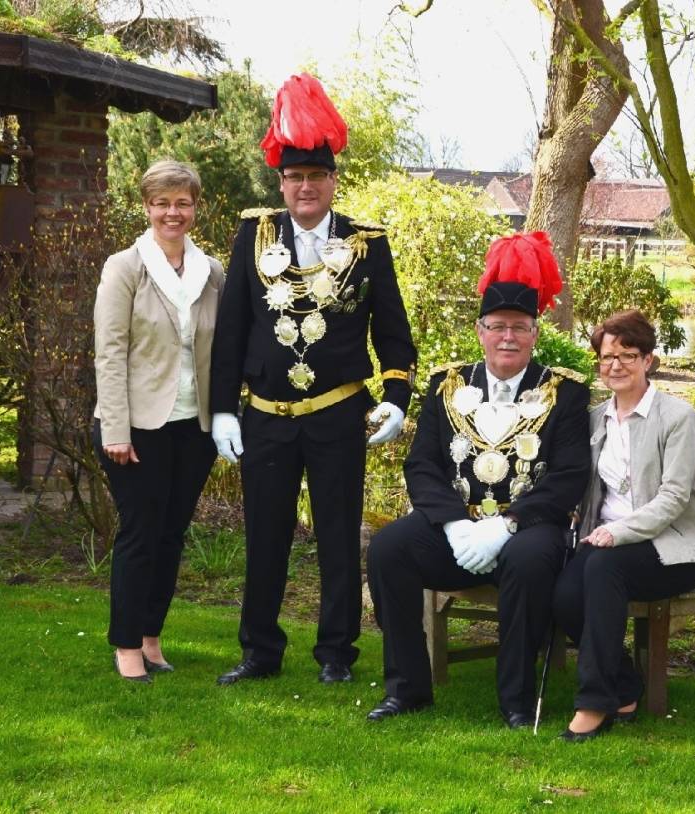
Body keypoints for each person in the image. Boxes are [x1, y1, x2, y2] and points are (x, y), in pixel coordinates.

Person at [209, 74, 417, 686]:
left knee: (335, 537)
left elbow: (394, 333)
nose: (306, 187)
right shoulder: (254, 235)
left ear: (333, 182)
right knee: (264, 539)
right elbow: (231, 330)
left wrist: (398, 396)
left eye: (317, 177)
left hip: (336, 413)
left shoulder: (366, 244)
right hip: (266, 415)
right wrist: (224, 408)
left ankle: (336, 655)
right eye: (296, 178)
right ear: (282, 183)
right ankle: (260, 652)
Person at [365, 231, 590, 728]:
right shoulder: (447, 385)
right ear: (479, 330)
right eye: (497, 327)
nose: (507, 337)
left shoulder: (564, 392)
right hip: (458, 533)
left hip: (526, 534)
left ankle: (514, 699)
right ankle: (407, 689)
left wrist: (507, 525)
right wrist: (453, 526)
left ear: (535, 332)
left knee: (532, 562)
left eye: (519, 327)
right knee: (388, 549)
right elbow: (422, 465)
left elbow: (570, 477)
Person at [552, 309, 695, 742]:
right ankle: (625, 684)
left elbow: (675, 497)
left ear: (649, 360)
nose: (616, 365)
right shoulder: (595, 418)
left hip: (672, 548)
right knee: (565, 595)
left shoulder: (676, 417)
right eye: (607, 357)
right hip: (604, 543)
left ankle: (593, 702)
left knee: (603, 569)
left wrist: (617, 533)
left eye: (628, 355)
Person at [93, 159, 224, 682]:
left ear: (195, 207)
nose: (174, 211)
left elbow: (224, 346)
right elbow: (109, 350)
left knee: (171, 535)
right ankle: (125, 643)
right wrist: (116, 431)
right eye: (163, 202)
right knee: (141, 534)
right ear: (147, 207)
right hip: (138, 425)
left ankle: (151, 637)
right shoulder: (125, 267)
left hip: (194, 426)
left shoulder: (211, 272)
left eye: (183, 202)